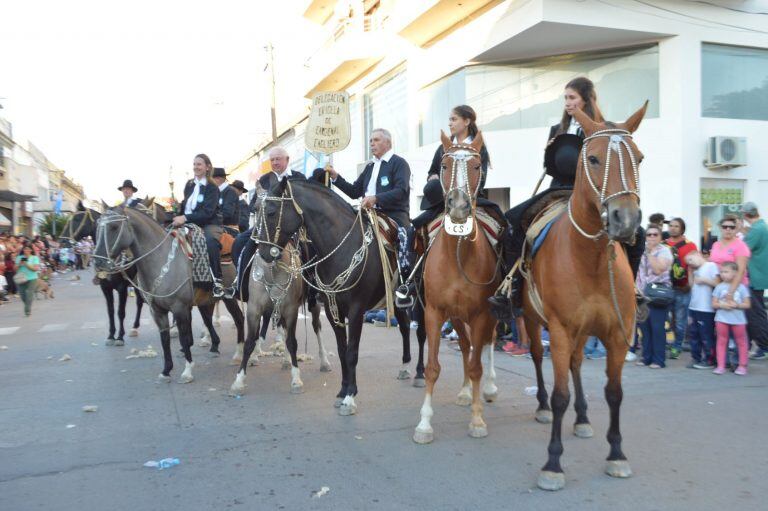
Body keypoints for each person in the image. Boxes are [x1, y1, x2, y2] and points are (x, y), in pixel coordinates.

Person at [489, 77, 645, 319]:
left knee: (639, 233)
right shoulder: (557, 130)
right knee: (513, 221)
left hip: (591, 194)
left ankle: (632, 290)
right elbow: (550, 166)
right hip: (557, 189)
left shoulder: (603, 129)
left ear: (587, 99)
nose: (567, 103)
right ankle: (512, 288)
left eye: (572, 98)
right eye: (566, 98)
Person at [327, 128, 411, 280]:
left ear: (388, 143)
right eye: (371, 140)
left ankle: (405, 280)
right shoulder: (370, 166)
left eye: (376, 140)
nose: (372, 143)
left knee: (404, 239)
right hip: (368, 216)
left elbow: (401, 191)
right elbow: (354, 191)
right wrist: (336, 177)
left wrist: (376, 198)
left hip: (393, 215)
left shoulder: (399, 163)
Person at [232, 147, 305, 301]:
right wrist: (262, 201)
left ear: (287, 159)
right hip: (266, 226)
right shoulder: (264, 179)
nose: (275, 162)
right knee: (239, 242)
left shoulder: (298, 178)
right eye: (272, 160)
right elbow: (253, 205)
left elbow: (303, 203)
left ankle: (309, 292)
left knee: (309, 249)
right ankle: (241, 285)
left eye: (278, 159)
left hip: (292, 228)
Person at [173, 153, 228, 298]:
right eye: (194, 164)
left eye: (199, 164)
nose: (196, 167)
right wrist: (175, 216)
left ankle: (217, 282)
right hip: (188, 222)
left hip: (209, 224)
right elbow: (185, 205)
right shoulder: (189, 184)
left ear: (207, 167)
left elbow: (207, 213)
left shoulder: (212, 187)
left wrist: (184, 218)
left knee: (210, 243)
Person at [636, 224, 673, 368]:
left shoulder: (665, 251)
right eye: (648, 235)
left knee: (657, 327)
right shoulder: (641, 251)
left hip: (658, 294)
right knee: (644, 328)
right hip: (642, 293)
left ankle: (659, 360)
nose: (651, 237)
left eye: (654, 235)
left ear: (660, 237)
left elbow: (658, 270)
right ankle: (646, 357)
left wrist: (650, 253)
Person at [664, 217, 698, 359]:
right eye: (671, 226)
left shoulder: (691, 246)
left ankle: (677, 346)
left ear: (682, 228)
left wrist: (691, 284)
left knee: (680, 319)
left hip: (683, 288)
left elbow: (695, 266)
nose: (673, 228)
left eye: (676, 226)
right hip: (666, 288)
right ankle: (669, 342)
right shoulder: (662, 244)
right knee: (666, 318)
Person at [712, 261, 751, 375]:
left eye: (726, 272)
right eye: (721, 272)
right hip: (721, 319)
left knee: (741, 342)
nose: (723, 274)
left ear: (735, 273)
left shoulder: (742, 287)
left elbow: (747, 304)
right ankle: (721, 365)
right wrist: (721, 305)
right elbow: (713, 303)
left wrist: (737, 305)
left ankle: (742, 365)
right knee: (721, 341)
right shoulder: (719, 287)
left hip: (738, 320)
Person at [741, 202, 768, 360]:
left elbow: (742, 250)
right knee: (756, 312)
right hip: (759, 275)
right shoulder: (761, 227)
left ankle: (763, 346)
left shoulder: (756, 230)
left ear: (745, 215)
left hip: (754, 276)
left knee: (755, 313)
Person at [685, 250, 719, 369]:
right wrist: (690, 272)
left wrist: (705, 280)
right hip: (694, 306)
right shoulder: (696, 270)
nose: (690, 263)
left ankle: (709, 359)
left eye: (690, 260)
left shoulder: (711, 266)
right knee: (694, 334)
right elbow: (691, 286)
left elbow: (718, 283)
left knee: (706, 335)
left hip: (706, 308)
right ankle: (696, 357)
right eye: (687, 262)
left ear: (697, 255)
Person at [211, 167, 240, 237]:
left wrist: (210, 220)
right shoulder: (217, 192)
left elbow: (227, 214)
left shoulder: (230, 192)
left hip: (229, 231)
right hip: (220, 229)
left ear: (218, 179)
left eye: (211, 179)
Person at [14, 243, 40, 316]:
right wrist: (19, 264)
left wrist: (26, 264)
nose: (26, 250)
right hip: (21, 278)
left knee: (29, 293)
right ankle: (28, 303)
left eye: (28, 249)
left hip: (32, 278)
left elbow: (35, 269)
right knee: (22, 295)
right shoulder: (19, 257)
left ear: (31, 250)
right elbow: (15, 269)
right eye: (25, 249)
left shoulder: (34, 258)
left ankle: (27, 310)